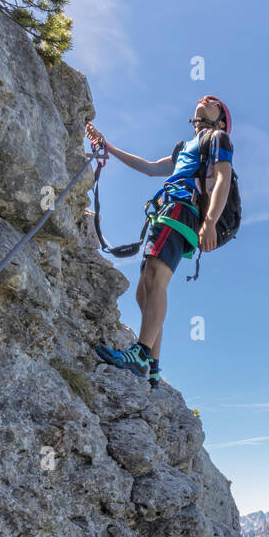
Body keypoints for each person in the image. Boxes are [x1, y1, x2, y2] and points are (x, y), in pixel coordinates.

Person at [85, 95, 234, 388]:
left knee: (154, 280)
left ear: (222, 121)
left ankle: (141, 355)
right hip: (168, 211)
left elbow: (222, 180)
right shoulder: (184, 147)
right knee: (144, 291)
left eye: (214, 101)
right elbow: (150, 167)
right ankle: (152, 364)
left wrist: (210, 222)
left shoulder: (218, 139)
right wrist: (108, 147)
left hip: (182, 209)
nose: (206, 98)